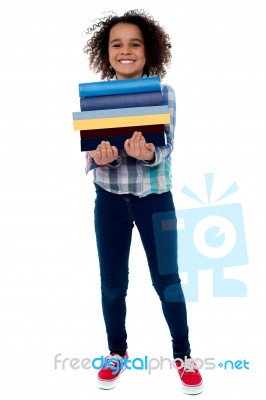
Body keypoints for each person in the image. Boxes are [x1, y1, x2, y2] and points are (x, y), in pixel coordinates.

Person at [82, 9, 203, 395]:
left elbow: (167, 148)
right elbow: (90, 153)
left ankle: (182, 355)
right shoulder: (97, 97)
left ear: (148, 50)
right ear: (107, 51)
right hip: (110, 203)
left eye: (135, 43)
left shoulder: (163, 93)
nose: (126, 50)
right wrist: (107, 157)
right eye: (117, 44)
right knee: (113, 284)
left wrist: (148, 152)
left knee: (167, 281)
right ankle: (117, 351)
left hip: (156, 201)